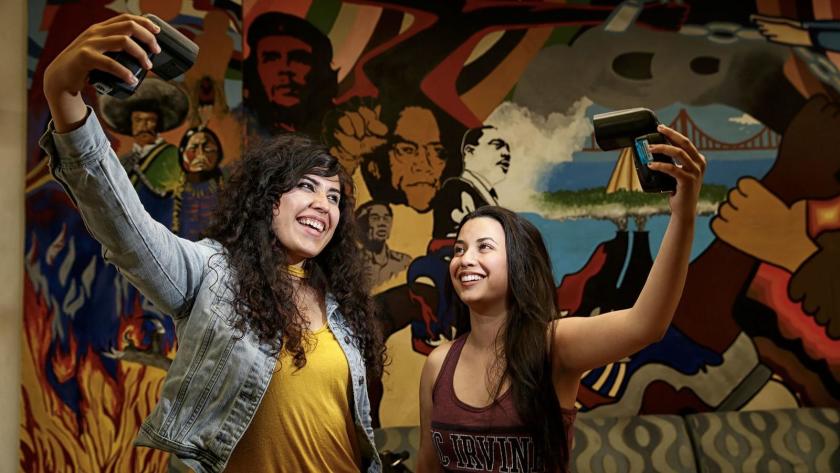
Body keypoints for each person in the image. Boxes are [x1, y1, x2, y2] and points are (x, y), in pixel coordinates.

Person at [41, 14, 384, 473]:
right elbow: (124, 224)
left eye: (335, 196)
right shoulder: (211, 274)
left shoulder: (341, 302)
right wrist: (63, 95)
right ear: (267, 199)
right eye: (306, 186)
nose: (324, 203)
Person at [416, 126, 706, 472]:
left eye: (484, 247)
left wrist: (683, 214)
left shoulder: (553, 344)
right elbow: (428, 465)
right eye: (459, 249)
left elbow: (646, 324)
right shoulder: (439, 363)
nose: (465, 259)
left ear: (519, 265)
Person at [243, 11, 338, 137]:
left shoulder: (339, 127)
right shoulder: (240, 126)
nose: (285, 69)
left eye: (299, 59)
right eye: (271, 58)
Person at [433, 125, 512, 238]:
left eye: (508, 148)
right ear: (469, 151)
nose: (506, 153)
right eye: (497, 145)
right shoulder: (456, 190)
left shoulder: (487, 195)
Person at [355, 200, 412, 287]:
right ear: (363, 224)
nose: (382, 224)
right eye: (375, 218)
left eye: (386, 218)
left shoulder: (404, 263)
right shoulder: (352, 262)